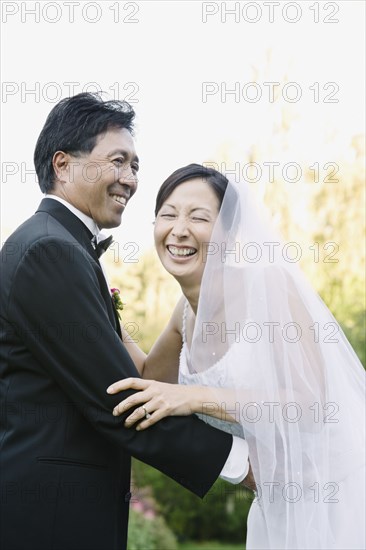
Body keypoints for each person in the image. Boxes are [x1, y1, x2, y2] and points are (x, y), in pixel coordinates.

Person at [0, 97, 253, 550]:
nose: (131, 179)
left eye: (136, 165)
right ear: (64, 165)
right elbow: (119, 400)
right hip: (50, 518)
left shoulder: (54, 245)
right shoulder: (49, 251)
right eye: (118, 161)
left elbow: (130, 372)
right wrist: (244, 463)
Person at [108, 164, 366, 549]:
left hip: (338, 497)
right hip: (277, 504)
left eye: (198, 217)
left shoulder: (270, 287)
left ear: (229, 234)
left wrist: (195, 397)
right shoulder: (184, 313)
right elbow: (151, 381)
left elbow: (311, 406)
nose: (179, 229)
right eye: (168, 215)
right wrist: (103, 307)